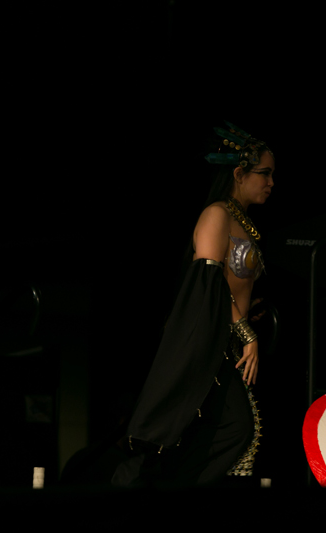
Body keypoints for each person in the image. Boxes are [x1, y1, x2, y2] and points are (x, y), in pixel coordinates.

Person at [111, 123, 274, 488]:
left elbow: (233, 285)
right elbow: (208, 283)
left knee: (222, 429)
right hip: (210, 340)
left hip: (229, 341)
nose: (271, 182)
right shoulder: (217, 214)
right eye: (264, 174)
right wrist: (245, 330)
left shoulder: (243, 222)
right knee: (236, 428)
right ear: (239, 174)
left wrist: (250, 314)